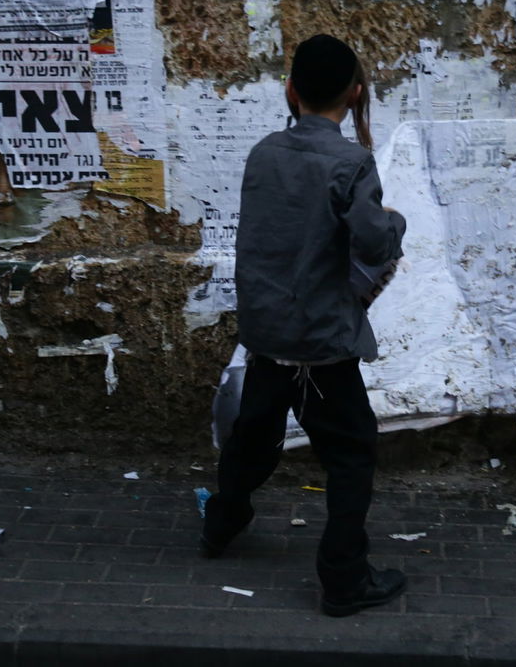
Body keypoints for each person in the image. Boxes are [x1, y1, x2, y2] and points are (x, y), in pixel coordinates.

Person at [201, 33, 408, 618]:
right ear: (356, 94)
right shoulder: (351, 162)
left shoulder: (264, 152)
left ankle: (221, 525)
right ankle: (343, 579)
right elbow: (372, 239)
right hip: (321, 345)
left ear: (290, 91)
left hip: (268, 333)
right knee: (351, 455)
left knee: (252, 441)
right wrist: (394, 222)